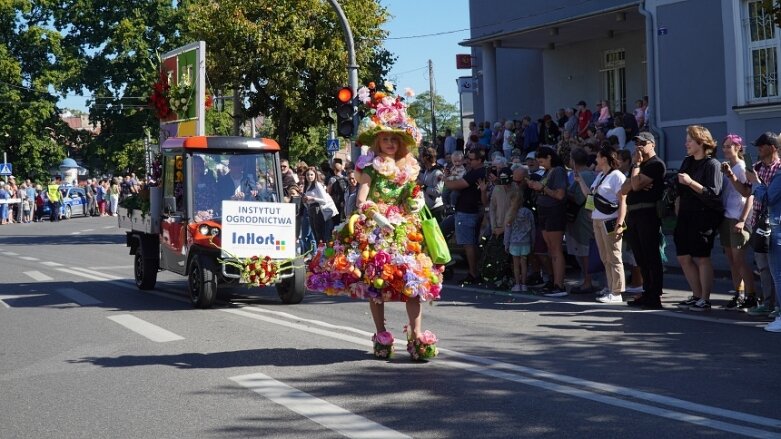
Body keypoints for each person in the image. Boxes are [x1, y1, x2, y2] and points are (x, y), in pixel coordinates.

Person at [308, 81, 442, 361]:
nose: (390, 143)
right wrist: (377, 216)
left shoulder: (409, 168)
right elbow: (361, 200)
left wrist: (415, 201)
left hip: (405, 229)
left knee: (414, 283)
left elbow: (410, 195)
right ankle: (381, 334)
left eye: (394, 139)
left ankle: (416, 336)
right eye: (385, 139)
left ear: (401, 142)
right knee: (377, 285)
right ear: (377, 141)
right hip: (377, 230)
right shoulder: (369, 168)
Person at [675, 125, 724, 311]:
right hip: (685, 215)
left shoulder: (713, 164)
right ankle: (696, 295)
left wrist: (690, 182)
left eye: (690, 140)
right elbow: (679, 190)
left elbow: (713, 193)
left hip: (704, 216)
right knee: (683, 256)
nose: (686, 143)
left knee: (701, 256)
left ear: (701, 142)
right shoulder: (687, 161)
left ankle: (705, 298)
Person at [621, 132, 667, 309]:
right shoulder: (638, 166)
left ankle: (654, 296)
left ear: (652, 144)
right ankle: (647, 292)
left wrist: (637, 171)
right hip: (633, 215)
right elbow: (625, 189)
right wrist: (636, 172)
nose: (638, 146)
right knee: (640, 256)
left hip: (648, 213)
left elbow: (635, 185)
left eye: (642, 143)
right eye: (637, 143)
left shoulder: (656, 164)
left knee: (651, 256)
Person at [578, 144, 627, 303]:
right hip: (597, 219)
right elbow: (590, 196)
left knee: (614, 255)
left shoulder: (617, 176)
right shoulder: (600, 176)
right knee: (605, 256)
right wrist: (580, 181)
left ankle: (617, 292)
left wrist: (620, 222)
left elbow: (623, 201)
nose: (596, 159)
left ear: (604, 159)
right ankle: (610, 287)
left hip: (610, 219)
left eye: (598, 157)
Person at [718, 134, 756, 310]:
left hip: (738, 217)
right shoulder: (727, 166)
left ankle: (751, 295)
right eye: (724, 146)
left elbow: (749, 195)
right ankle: (738, 293)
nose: (725, 149)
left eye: (729, 146)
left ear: (738, 148)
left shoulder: (741, 167)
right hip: (727, 216)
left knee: (739, 260)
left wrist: (742, 220)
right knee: (732, 261)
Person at [746, 132, 781, 317]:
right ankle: (768, 304)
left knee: (777, 269)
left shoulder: (779, 169)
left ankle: (778, 308)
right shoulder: (757, 166)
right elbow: (746, 191)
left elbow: (769, 197)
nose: (758, 148)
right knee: (764, 268)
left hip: (774, 223)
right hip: (759, 222)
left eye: (762, 145)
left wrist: (756, 183)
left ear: (773, 147)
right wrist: (734, 177)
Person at [526, 146, 568, 297]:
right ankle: (553, 281)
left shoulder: (558, 171)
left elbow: (560, 195)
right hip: (544, 211)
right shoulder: (547, 171)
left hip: (554, 212)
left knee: (555, 249)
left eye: (541, 159)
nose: (540, 162)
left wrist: (542, 188)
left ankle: (559, 285)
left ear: (550, 157)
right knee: (550, 249)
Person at [445, 148, 487, 285]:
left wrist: (445, 180)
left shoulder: (477, 173)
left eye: (471, 159)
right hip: (467, 211)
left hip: (467, 212)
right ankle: (475, 272)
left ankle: (473, 273)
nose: (468, 161)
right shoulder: (474, 171)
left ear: (479, 160)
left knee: (469, 245)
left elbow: (457, 184)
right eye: (467, 158)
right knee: (470, 244)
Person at [505, 167, 535, 292]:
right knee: (524, 263)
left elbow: (508, 230)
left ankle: (517, 283)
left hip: (514, 243)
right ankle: (524, 284)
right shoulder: (528, 212)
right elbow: (532, 229)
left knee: (515, 264)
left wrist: (506, 243)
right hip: (526, 242)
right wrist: (532, 242)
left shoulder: (510, 215)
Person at [302, 166, 338, 244]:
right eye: (307, 175)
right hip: (311, 210)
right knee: (315, 234)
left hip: (318, 210)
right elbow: (307, 201)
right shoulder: (308, 186)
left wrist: (312, 198)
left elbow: (324, 200)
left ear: (315, 175)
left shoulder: (317, 185)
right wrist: (305, 201)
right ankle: (319, 252)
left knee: (320, 234)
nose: (309, 177)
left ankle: (322, 252)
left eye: (311, 175)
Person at [418, 147, 445, 221]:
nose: (420, 160)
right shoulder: (427, 170)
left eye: (421, 157)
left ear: (426, 158)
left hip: (437, 209)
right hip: (428, 208)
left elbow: (438, 192)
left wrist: (423, 186)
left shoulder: (437, 172)